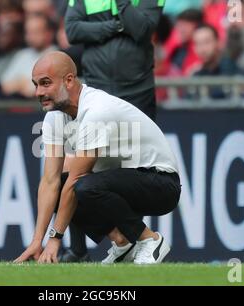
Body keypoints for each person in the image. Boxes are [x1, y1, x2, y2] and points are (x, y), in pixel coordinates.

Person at [14, 51, 181, 265]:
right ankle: (122, 243)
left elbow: (77, 180)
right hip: (123, 183)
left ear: (69, 80)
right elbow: (50, 181)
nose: (39, 92)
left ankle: (150, 240)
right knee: (65, 184)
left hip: (162, 185)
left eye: (46, 83)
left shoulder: (96, 110)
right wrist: (37, 241)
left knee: (83, 186)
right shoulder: (53, 117)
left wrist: (55, 239)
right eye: (36, 84)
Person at [63, 0, 167, 262]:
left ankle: (135, 242)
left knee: (133, 170)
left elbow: (142, 29)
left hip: (137, 95)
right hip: (97, 93)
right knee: (79, 167)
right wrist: (116, 26)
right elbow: (73, 31)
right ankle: (78, 249)